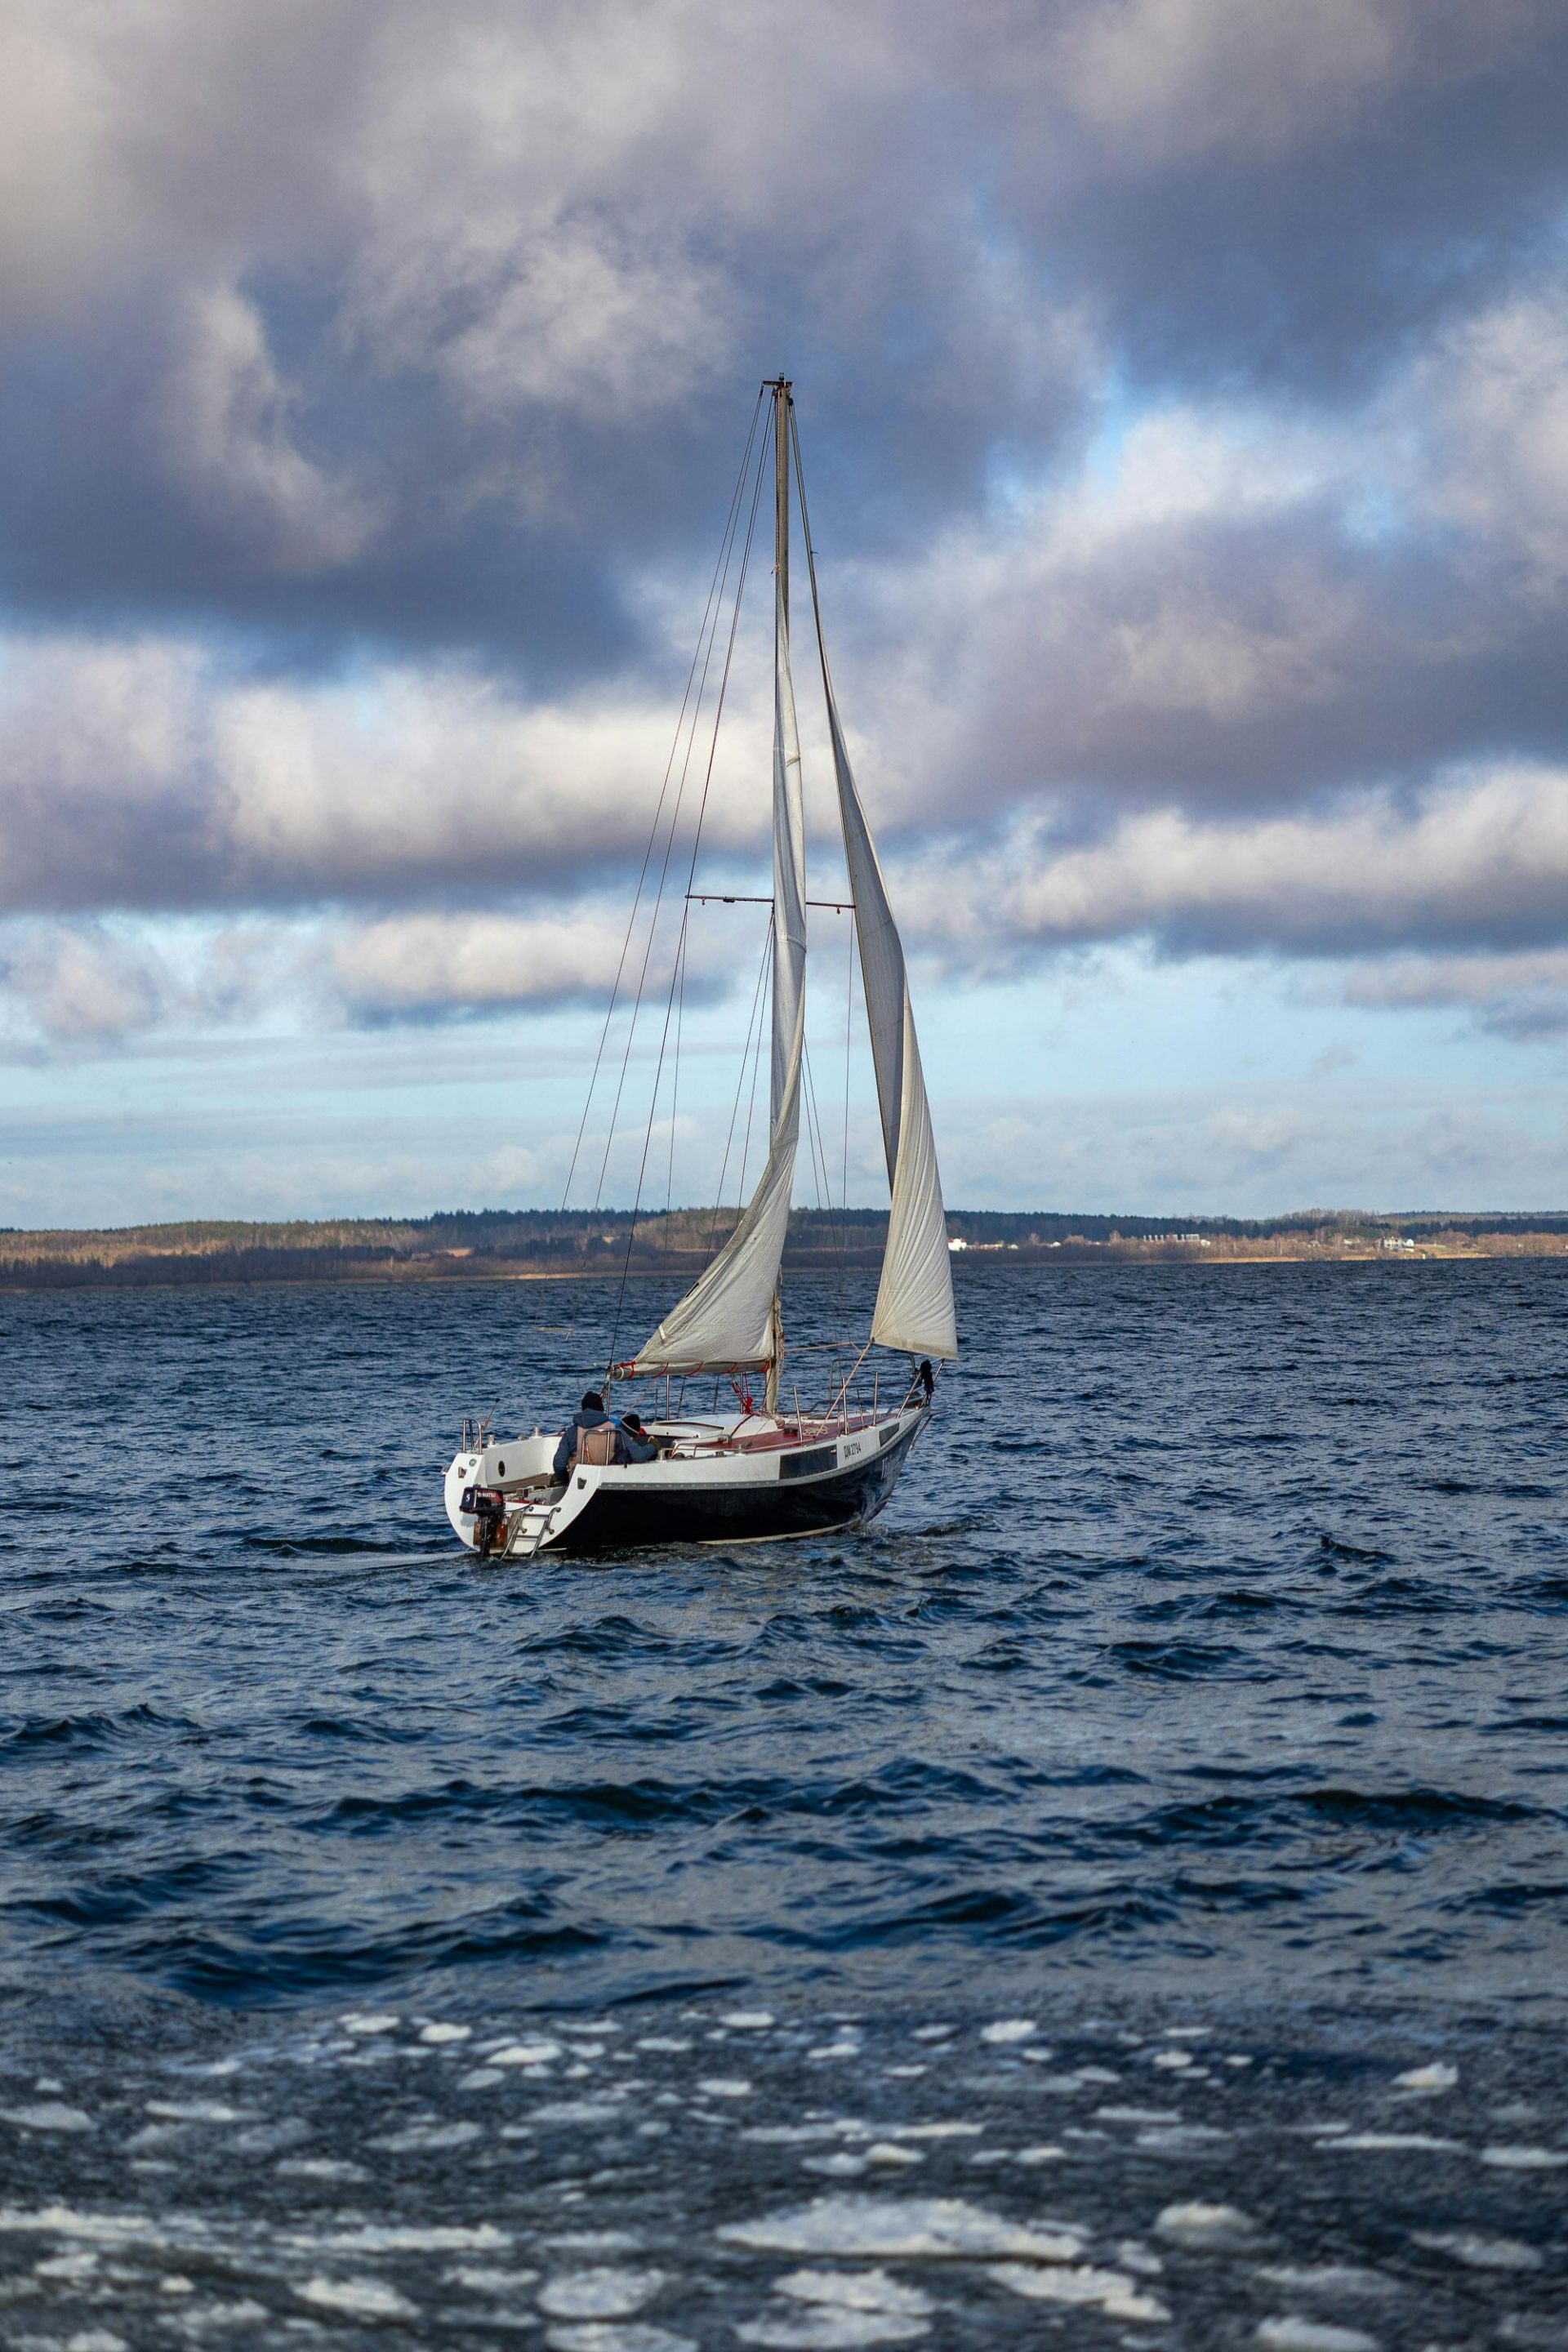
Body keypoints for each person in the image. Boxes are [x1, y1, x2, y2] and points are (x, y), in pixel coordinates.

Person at [552, 1390, 611, 1480]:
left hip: (579, 1484)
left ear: (583, 1409)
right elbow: (636, 1455)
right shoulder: (616, 1430)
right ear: (601, 1409)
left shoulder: (571, 1432)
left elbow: (559, 1464)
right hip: (608, 1480)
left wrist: (564, 1479)